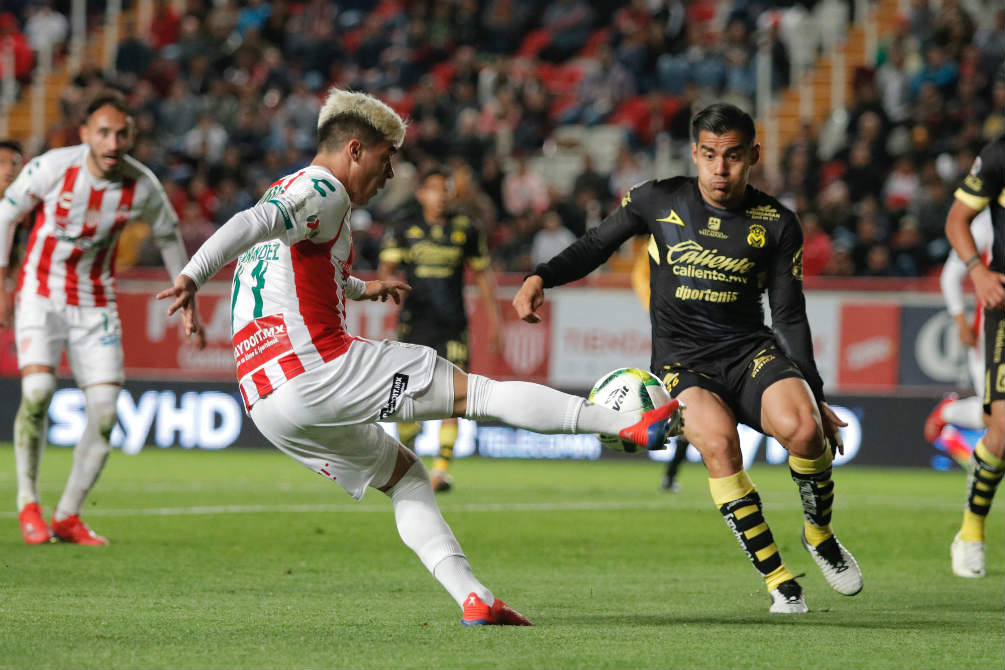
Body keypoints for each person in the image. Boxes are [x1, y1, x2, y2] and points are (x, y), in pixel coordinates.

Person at [157, 88, 680, 626]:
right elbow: (246, 223)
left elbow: (298, 268)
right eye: (386, 162)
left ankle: (473, 597)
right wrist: (192, 275)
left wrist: (363, 289)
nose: (389, 178)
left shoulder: (290, 191)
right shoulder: (323, 187)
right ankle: (629, 423)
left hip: (265, 401)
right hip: (315, 367)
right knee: (478, 393)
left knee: (406, 476)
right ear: (355, 149)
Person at [514, 103, 863, 614]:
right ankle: (779, 579)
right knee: (719, 445)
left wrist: (816, 393)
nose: (721, 169)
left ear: (754, 157)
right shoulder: (656, 199)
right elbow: (595, 244)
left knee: (806, 431)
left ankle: (820, 535)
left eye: (734, 157)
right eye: (710, 155)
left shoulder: (778, 223)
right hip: (684, 363)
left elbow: (789, 316)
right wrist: (540, 276)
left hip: (749, 353)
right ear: (695, 154)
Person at [0, 90, 206, 546]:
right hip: (40, 292)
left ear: (133, 135)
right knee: (37, 392)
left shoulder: (143, 184)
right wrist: (2, 283)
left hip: (95, 301)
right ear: (85, 135)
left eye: (122, 134)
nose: (113, 143)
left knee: (107, 412)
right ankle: (28, 503)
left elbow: (171, 237)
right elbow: (5, 214)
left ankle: (69, 515)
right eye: (104, 133)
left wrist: (187, 297)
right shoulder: (54, 167)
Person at [377, 166, 502, 493]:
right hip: (414, 323)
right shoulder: (404, 227)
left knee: (455, 393)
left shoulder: (467, 230)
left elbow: (483, 276)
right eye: (434, 189)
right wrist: (385, 288)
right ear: (421, 194)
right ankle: (412, 460)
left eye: (446, 189)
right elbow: (386, 270)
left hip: (452, 325)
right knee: (405, 394)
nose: (441, 195)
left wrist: (495, 320)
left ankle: (442, 469)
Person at [944, 136, 1005, 579]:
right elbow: (957, 220)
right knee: (1002, 432)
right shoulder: (1001, 152)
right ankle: (971, 530)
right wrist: (978, 271)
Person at [924, 208, 994, 444]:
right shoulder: (987, 223)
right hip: (992, 331)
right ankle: (949, 412)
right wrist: (961, 322)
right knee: (994, 412)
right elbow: (950, 276)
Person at [630, 238, 688, 492]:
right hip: (680, 334)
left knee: (687, 413)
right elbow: (640, 273)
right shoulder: (664, 236)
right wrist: (653, 305)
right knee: (684, 408)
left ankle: (670, 474)